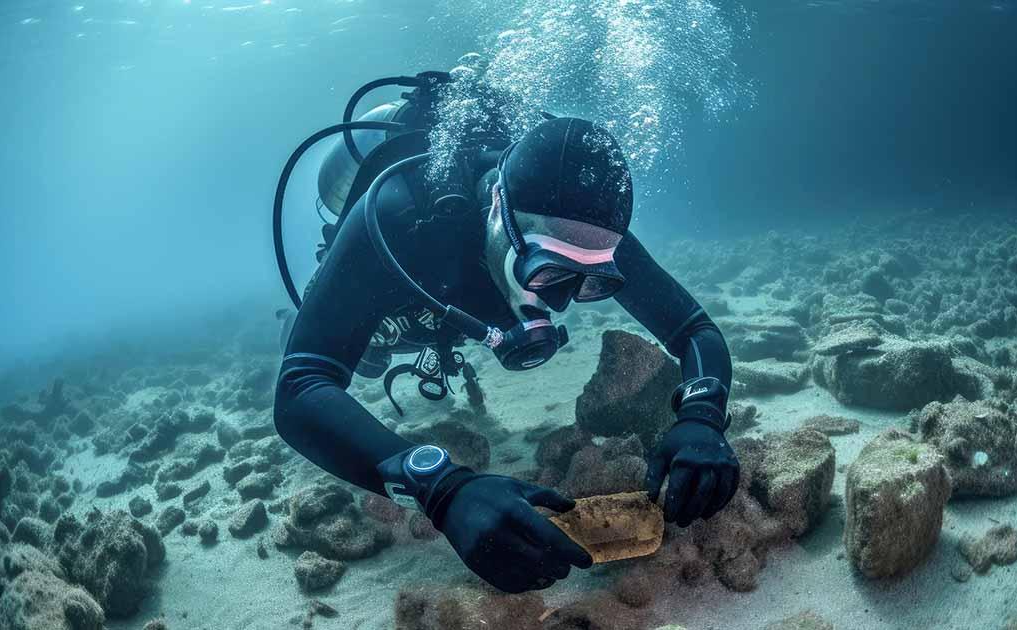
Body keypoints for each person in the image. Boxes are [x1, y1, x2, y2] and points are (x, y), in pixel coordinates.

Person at [274, 115, 739, 594]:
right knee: (368, 353)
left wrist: (702, 417)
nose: (559, 303)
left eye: (593, 282)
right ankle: (302, 317)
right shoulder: (397, 214)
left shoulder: (587, 227)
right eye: (548, 271)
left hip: (464, 294)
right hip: (403, 301)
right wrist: (443, 489)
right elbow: (301, 389)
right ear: (499, 209)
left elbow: (693, 328)